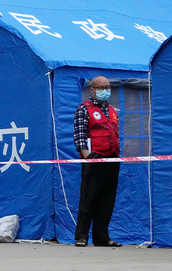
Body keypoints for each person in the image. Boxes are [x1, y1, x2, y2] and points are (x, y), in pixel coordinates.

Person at [72, 75, 122, 247]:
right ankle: (81, 236)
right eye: (101, 88)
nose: (105, 90)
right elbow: (79, 135)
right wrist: (87, 157)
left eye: (107, 87)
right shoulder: (84, 109)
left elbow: (115, 135)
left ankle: (102, 237)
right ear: (92, 90)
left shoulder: (113, 111)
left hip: (113, 157)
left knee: (107, 199)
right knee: (89, 198)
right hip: (94, 158)